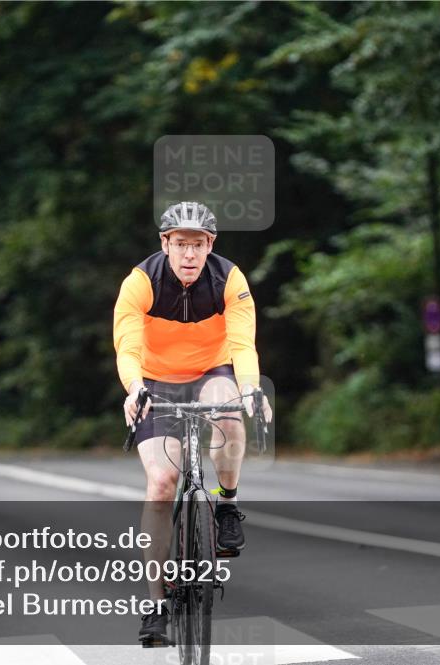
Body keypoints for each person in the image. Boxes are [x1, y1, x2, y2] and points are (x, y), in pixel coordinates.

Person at [113, 201, 272, 645]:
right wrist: (134, 388)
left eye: (197, 244)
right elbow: (127, 343)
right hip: (156, 381)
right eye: (180, 243)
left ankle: (226, 503)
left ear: (210, 246)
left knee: (229, 407)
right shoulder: (140, 282)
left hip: (211, 372)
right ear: (165, 243)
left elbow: (242, 343)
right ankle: (155, 603)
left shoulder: (229, 279)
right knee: (162, 484)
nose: (188, 254)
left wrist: (252, 387)